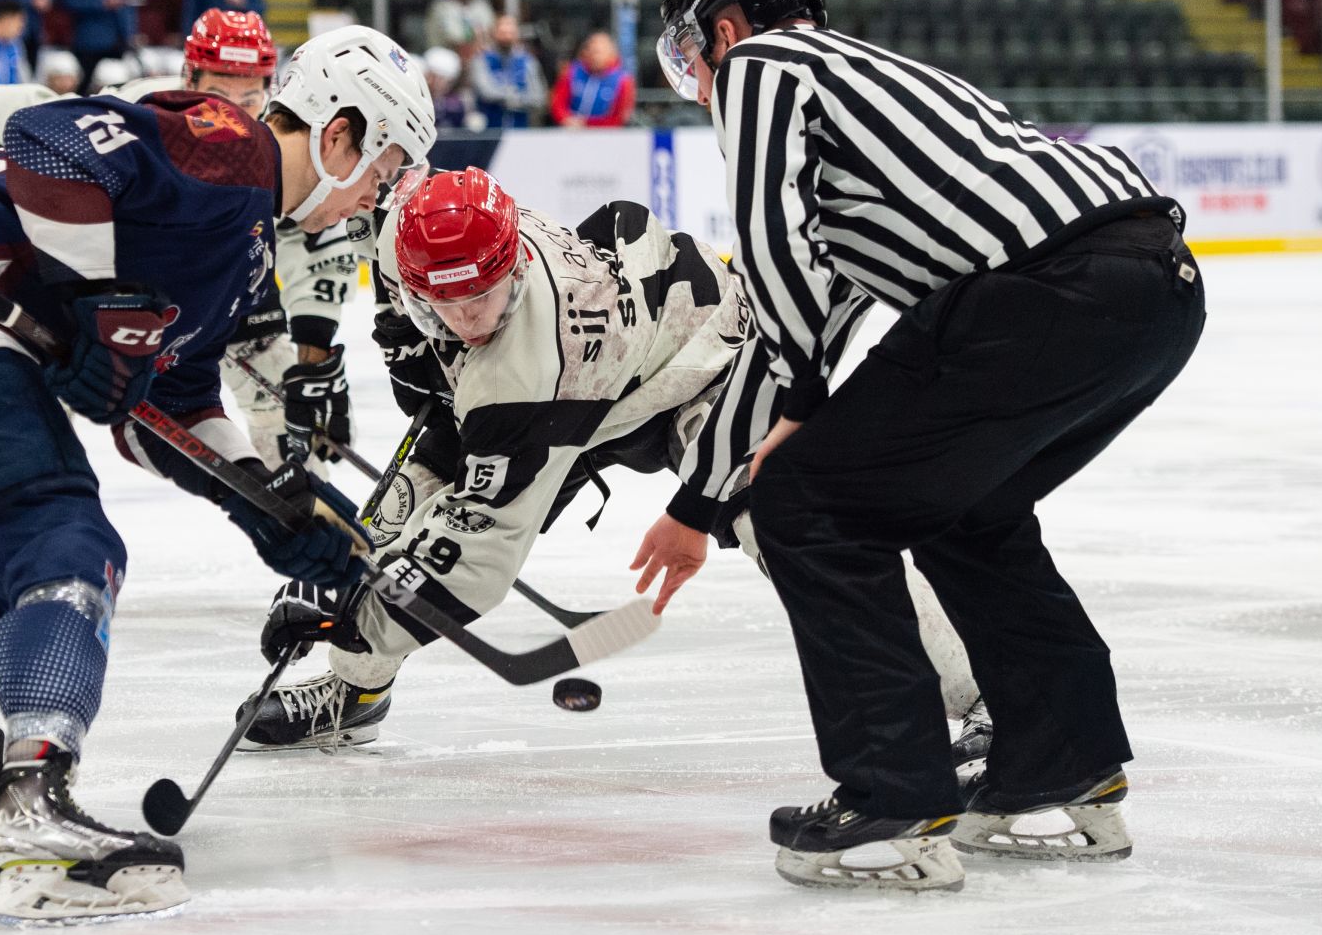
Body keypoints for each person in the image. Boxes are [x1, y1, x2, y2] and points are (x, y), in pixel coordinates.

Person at [0, 24, 435, 926]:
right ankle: (34, 815)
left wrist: (268, 502)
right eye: (384, 166)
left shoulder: (249, 244)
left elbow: (167, 403)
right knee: (66, 547)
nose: (376, 198)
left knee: (15, 561)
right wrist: (93, 300)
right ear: (340, 135)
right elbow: (44, 143)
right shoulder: (229, 145)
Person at [651, 0, 1206, 891]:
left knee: (806, 507)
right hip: (1154, 287)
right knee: (964, 509)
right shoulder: (873, 120)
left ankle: (891, 792)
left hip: (1046, 290)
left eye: (691, 52)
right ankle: (1060, 758)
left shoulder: (765, 66)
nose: (696, 79)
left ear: (727, 26)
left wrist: (795, 423)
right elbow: (807, 322)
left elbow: (775, 257)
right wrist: (699, 502)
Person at [235, 166, 981, 751]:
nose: (465, 319)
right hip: (604, 362)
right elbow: (403, 291)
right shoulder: (414, 232)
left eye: (482, 298)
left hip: (700, 361)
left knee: (786, 524)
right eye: (445, 304)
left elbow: (474, 558)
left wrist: (350, 612)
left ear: (513, 270)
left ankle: (980, 698)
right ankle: (356, 694)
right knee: (399, 505)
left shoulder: (526, 370)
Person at [115, 10, 366, 473]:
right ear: (188, 76)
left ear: (271, 92)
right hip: (134, 294)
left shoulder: (286, 141)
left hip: (236, 282)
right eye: (216, 95)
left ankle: (318, 526)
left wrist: (312, 358)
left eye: (248, 98)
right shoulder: (137, 112)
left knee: (279, 409)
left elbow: (318, 239)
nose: (231, 112)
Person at [469, 14, 546, 128]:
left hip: (520, 127)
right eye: (502, 33)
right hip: (488, 128)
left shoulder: (528, 61)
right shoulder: (482, 59)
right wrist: (514, 97)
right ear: (494, 33)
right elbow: (486, 92)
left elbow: (538, 97)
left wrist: (513, 100)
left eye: (510, 33)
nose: (506, 37)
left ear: (517, 35)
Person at [549, 31, 635, 126]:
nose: (595, 56)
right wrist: (565, 119)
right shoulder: (571, 72)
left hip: (606, 134)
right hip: (571, 131)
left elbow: (621, 115)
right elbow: (557, 103)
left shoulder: (623, 81)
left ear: (611, 54)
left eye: (599, 52)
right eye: (592, 51)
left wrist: (588, 124)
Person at [425, 0, 496, 52]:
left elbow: (489, 30)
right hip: (447, 51)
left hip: (478, 51)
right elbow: (452, 36)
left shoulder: (482, 5)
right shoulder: (441, 7)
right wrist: (474, 36)